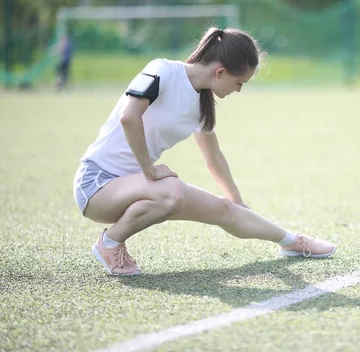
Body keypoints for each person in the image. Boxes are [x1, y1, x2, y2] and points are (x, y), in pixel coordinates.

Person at [73, 27, 336, 276]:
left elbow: (214, 158)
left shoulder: (201, 103)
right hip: (97, 184)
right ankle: (110, 243)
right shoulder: (162, 70)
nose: (239, 90)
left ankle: (292, 242)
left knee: (224, 210)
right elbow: (129, 117)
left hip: (139, 188)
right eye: (239, 82)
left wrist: (236, 199)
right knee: (172, 191)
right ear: (220, 73)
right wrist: (150, 170)